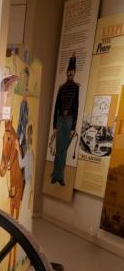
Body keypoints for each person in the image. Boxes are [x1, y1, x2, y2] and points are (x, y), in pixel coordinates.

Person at [50, 53, 79, 186]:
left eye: (72, 72)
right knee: (58, 148)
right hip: (61, 120)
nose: (70, 73)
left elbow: (76, 108)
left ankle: (60, 176)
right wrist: (54, 126)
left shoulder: (76, 88)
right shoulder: (61, 88)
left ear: (74, 72)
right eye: (69, 72)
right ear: (67, 72)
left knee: (63, 151)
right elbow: (56, 107)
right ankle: (56, 175)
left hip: (69, 121)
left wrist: (73, 128)